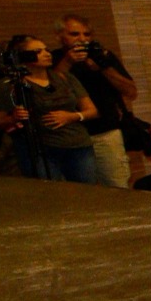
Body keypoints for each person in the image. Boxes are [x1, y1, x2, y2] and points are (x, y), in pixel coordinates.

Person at [0, 36, 100, 183]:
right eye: (38, 51)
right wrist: (12, 118)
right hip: (40, 149)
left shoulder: (64, 77)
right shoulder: (8, 84)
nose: (47, 54)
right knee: (50, 193)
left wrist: (72, 116)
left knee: (88, 191)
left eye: (47, 50)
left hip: (77, 145)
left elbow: (91, 110)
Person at [56, 16, 137, 187]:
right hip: (71, 136)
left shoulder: (101, 56)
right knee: (80, 189)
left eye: (87, 34)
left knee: (117, 186)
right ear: (60, 36)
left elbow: (130, 90)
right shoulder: (54, 58)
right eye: (74, 34)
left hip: (106, 131)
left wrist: (103, 68)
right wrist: (68, 62)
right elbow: (51, 89)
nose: (82, 39)